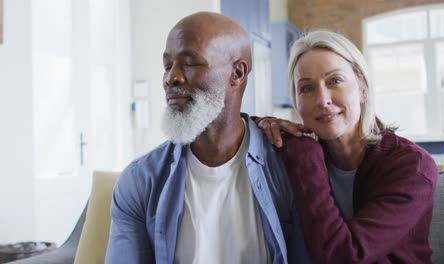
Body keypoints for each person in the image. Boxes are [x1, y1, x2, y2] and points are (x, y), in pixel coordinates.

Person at [105, 12, 310, 264]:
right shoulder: (139, 182)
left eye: (189, 63)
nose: (171, 78)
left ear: (237, 73)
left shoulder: (289, 168)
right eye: (167, 65)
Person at [258, 30, 438, 263]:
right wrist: (262, 123)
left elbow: (346, 255)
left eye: (335, 81)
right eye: (307, 88)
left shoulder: (413, 167)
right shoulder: (304, 152)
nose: (322, 100)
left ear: (363, 88)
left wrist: (306, 156)